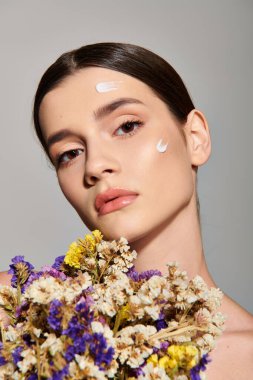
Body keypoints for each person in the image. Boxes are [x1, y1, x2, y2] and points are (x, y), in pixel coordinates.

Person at [1, 42, 253, 378]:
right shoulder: (15, 314)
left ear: (195, 137)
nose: (96, 165)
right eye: (70, 153)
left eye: (127, 126)